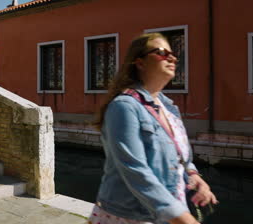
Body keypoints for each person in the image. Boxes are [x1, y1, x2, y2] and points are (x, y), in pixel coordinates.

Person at [89, 33, 217, 224]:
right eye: (162, 53)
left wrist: (194, 176)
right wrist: (185, 220)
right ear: (140, 62)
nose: (172, 58)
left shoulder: (169, 108)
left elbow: (180, 158)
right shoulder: (124, 106)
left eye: (172, 53)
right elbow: (134, 169)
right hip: (129, 217)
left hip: (167, 215)